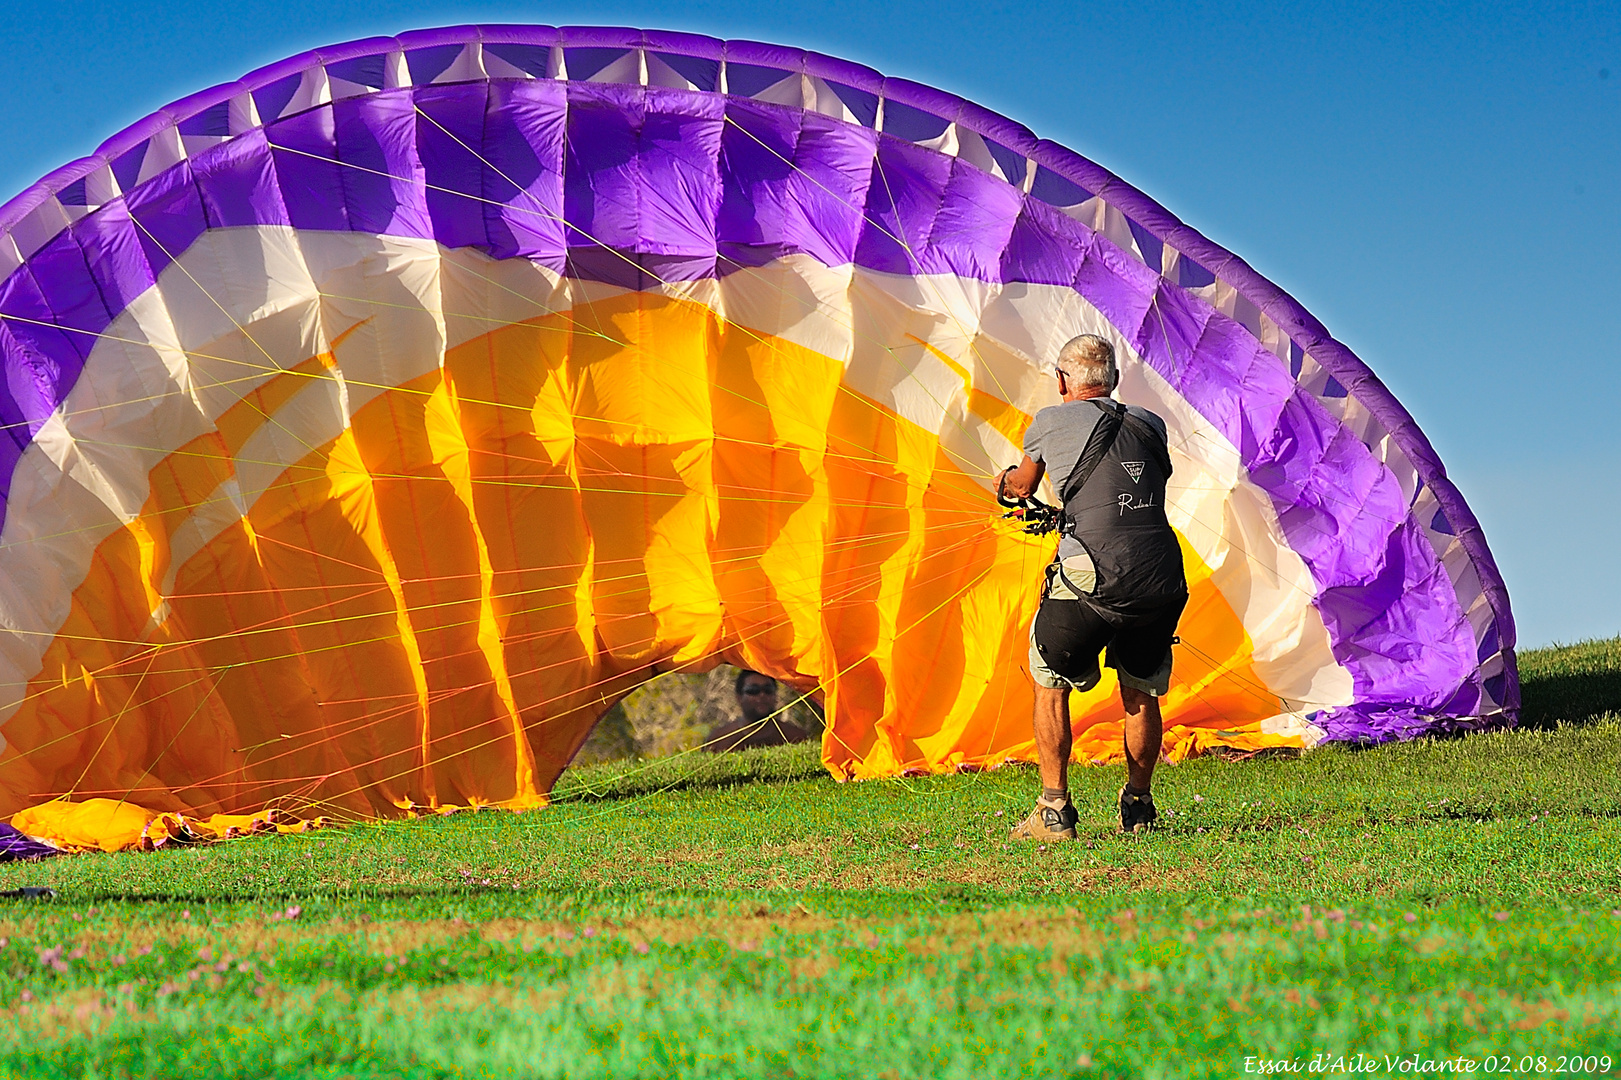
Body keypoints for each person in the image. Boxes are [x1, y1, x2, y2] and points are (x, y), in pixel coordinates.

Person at [998, 334, 1188, 838]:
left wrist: (1007, 486)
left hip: (1092, 577)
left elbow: (1022, 486)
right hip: (1161, 574)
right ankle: (1139, 807)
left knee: (1049, 678)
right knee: (1142, 689)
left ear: (1062, 381)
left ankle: (1054, 810)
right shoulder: (1152, 424)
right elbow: (1126, 491)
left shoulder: (1049, 421)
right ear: (1115, 382)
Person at [705, 670, 813, 752]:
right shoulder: (719, 739)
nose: (762, 695)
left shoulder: (795, 736)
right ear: (739, 697)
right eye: (753, 690)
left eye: (768, 690)